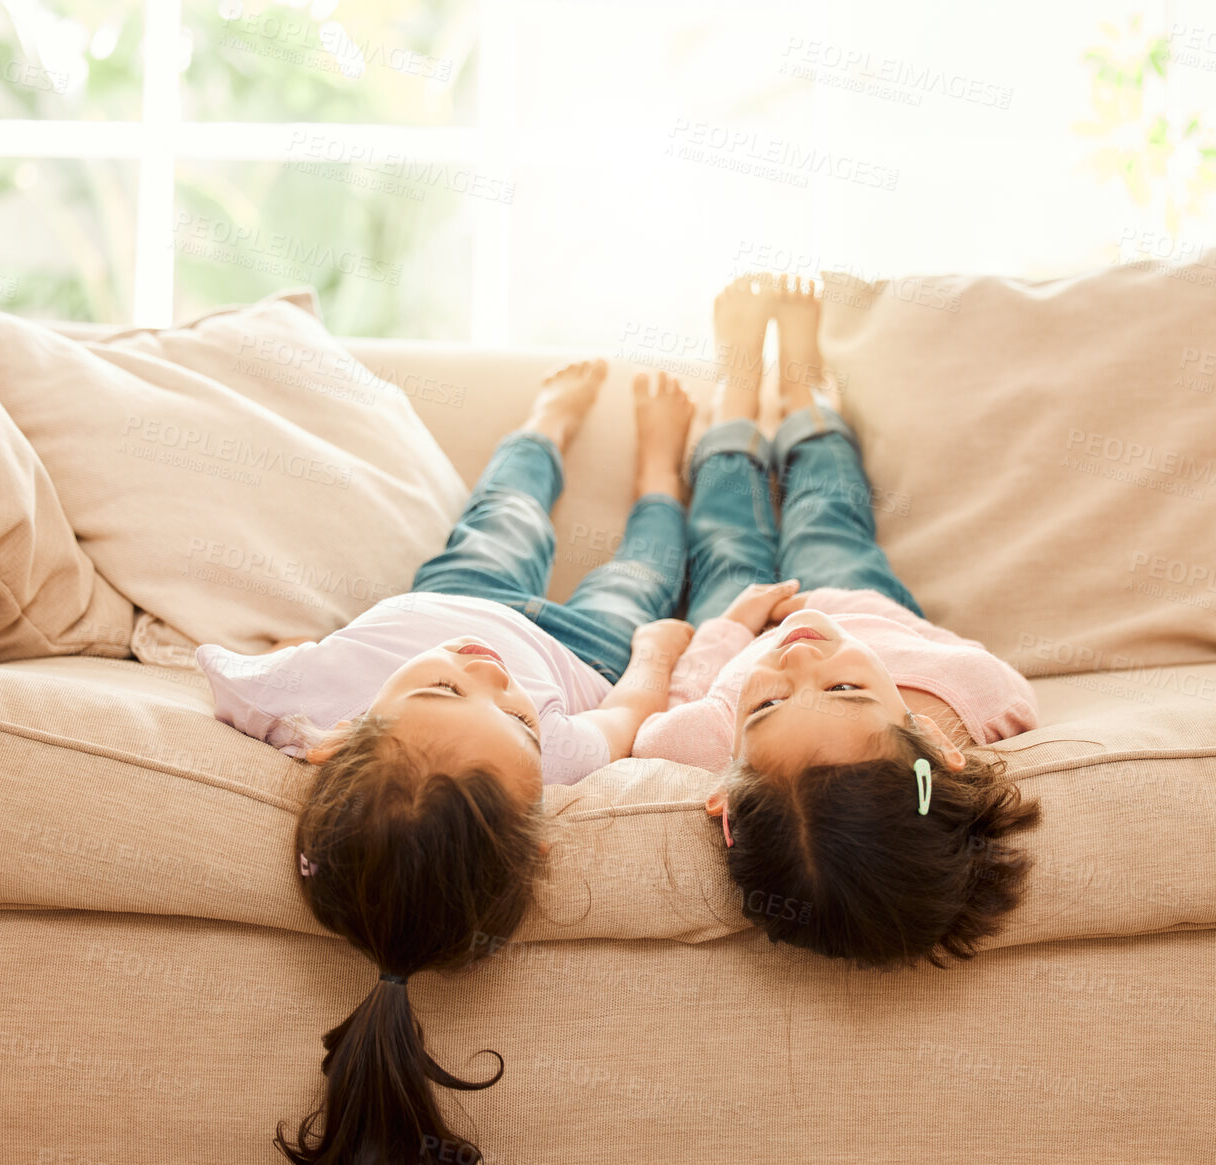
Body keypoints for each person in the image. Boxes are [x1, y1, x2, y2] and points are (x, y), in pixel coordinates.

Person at [193, 359, 697, 1165]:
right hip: (585, 650)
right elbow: (628, 717)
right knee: (643, 577)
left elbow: (228, 678)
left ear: (340, 736)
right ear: (537, 827)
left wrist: (291, 730)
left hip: (458, 594)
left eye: (440, 688)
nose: (491, 672)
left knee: (503, 514)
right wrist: (655, 650)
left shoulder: (313, 701)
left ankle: (547, 426)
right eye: (515, 724)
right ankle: (660, 470)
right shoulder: (560, 757)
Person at [633, 273, 1045, 969]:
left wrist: (733, 632)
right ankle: (802, 393)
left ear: (724, 797)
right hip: (860, 599)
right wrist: (860, 619)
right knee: (829, 505)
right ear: (934, 750)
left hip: (739, 617)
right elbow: (986, 676)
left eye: (763, 705)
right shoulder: (973, 695)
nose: (797, 665)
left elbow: (659, 724)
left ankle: (735, 397)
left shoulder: (700, 743)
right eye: (848, 691)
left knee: (725, 530)